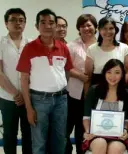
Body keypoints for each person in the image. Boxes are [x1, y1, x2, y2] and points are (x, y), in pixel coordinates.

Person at [16, 8, 77, 154]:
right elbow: (24, 79)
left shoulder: (63, 47)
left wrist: (59, 86)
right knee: (39, 142)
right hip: (38, 100)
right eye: (43, 22)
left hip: (61, 100)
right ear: (37, 26)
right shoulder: (29, 48)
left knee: (60, 140)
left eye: (51, 22)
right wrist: (29, 108)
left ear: (56, 25)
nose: (47, 26)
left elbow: (67, 72)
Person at [82, 59, 128, 154]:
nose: (112, 76)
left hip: (118, 135)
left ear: (122, 75)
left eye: (117, 73)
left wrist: (125, 130)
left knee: (115, 148)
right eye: (109, 72)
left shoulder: (127, 94)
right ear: (104, 73)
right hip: (95, 134)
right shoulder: (94, 90)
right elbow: (86, 116)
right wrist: (88, 131)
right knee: (100, 144)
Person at [0, 8, 32, 154]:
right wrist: (15, 93)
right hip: (7, 97)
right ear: (6, 23)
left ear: (25, 24)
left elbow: (36, 72)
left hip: (29, 97)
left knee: (28, 135)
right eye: (13, 20)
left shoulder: (31, 44)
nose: (17, 23)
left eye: (21, 20)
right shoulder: (1, 43)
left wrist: (25, 94)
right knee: (9, 135)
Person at [65, 14, 97, 154]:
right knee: (70, 126)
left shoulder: (101, 44)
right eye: (83, 25)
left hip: (95, 93)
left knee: (86, 128)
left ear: (95, 27)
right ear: (79, 28)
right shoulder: (71, 46)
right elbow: (65, 66)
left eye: (89, 25)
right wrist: (79, 76)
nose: (86, 28)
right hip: (74, 93)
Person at [85, 17, 128, 95]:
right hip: (97, 90)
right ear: (99, 30)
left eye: (111, 28)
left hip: (118, 90)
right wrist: (86, 95)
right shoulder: (92, 49)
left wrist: (121, 89)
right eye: (104, 28)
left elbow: (126, 72)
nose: (108, 31)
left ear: (115, 30)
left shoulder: (124, 48)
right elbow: (88, 76)